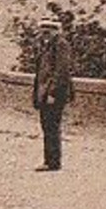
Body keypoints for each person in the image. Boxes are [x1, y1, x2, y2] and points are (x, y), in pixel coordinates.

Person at [31, 18, 73, 171]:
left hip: (53, 94)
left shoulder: (60, 44)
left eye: (47, 30)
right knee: (47, 126)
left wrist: (53, 93)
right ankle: (49, 160)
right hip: (44, 93)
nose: (43, 33)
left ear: (55, 30)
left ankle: (53, 162)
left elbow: (61, 71)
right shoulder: (47, 45)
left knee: (52, 126)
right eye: (43, 30)